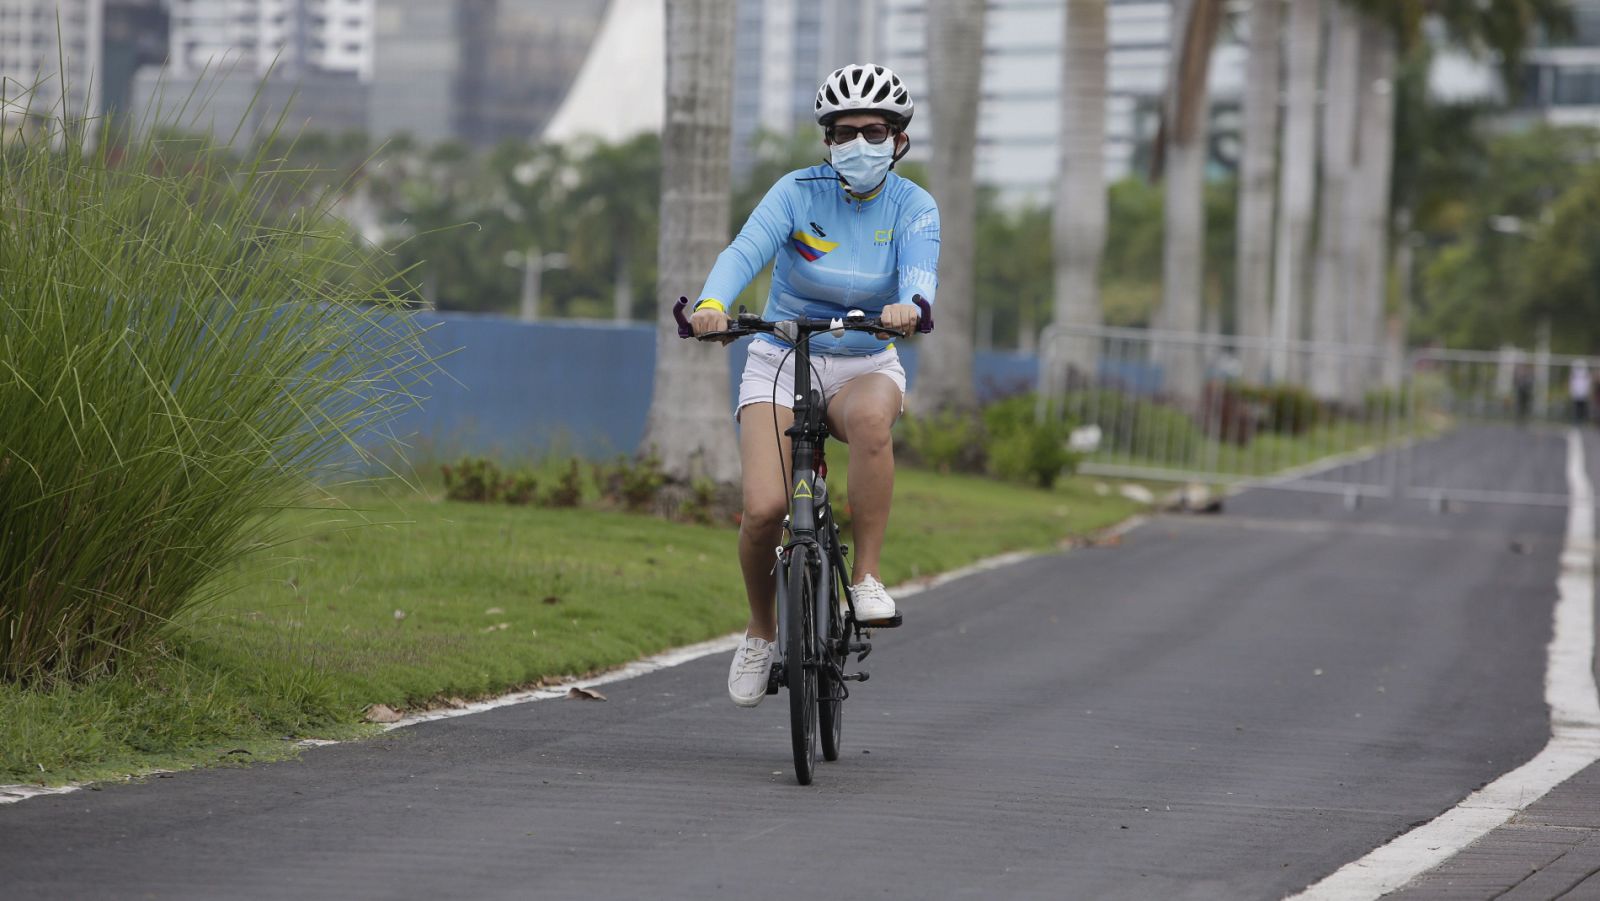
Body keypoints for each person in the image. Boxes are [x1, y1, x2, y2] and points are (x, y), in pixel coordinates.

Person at [688, 63, 940, 707]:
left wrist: (912, 303)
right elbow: (746, 250)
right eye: (844, 132)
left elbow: (920, 269)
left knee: (872, 424)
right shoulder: (796, 192)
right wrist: (715, 302)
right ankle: (760, 631)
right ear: (827, 141)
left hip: (864, 360)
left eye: (875, 131)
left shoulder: (915, 204)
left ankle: (867, 579)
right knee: (767, 511)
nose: (860, 144)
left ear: (899, 139)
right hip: (781, 350)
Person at [1571, 361, 1591, 425]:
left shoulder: (1585, 374)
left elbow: (1587, 384)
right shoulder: (1574, 374)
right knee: (1576, 408)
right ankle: (1577, 420)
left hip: (1583, 394)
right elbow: (1573, 384)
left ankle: (1582, 420)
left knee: (1582, 408)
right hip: (1577, 394)